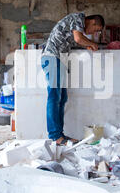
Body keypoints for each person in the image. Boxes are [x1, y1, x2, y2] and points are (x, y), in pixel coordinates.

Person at [41, 13, 105, 145]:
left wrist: (86, 44)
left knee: (62, 98)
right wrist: (91, 43)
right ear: (92, 22)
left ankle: (60, 135)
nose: (94, 33)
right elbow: (78, 38)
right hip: (53, 58)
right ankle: (55, 136)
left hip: (60, 60)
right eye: (96, 29)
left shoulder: (77, 26)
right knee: (54, 97)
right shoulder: (78, 18)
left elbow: (75, 40)